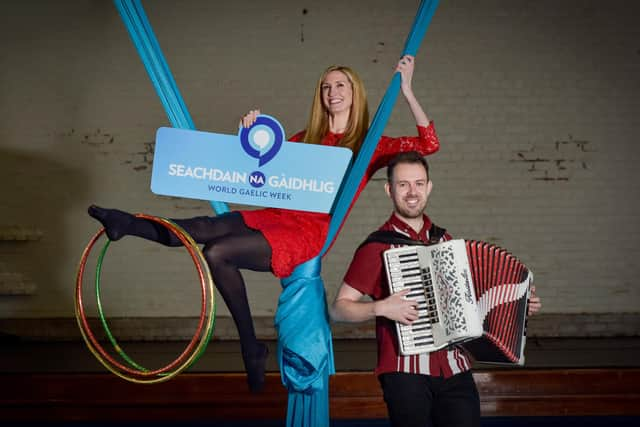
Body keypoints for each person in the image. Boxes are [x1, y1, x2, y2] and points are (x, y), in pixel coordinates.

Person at [88, 55, 441, 393]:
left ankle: (249, 346)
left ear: (355, 93)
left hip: (307, 233)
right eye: (325, 86)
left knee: (217, 253)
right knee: (203, 228)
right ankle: (127, 223)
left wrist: (407, 90)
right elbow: (255, 168)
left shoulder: (369, 145)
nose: (332, 92)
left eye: (341, 85)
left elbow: (429, 144)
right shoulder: (302, 140)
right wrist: (250, 132)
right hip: (274, 216)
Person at [330, 151, 542, 427]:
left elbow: (473, 298)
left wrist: (521, 304)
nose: (411, 192)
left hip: (455, 367)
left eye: (419, 183)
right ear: (389, 190)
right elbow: (338, 309)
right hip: (405, 372)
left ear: (429, 187)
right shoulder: (376, 247)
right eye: (403, 184)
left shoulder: (445, 241)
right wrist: (380, 307)